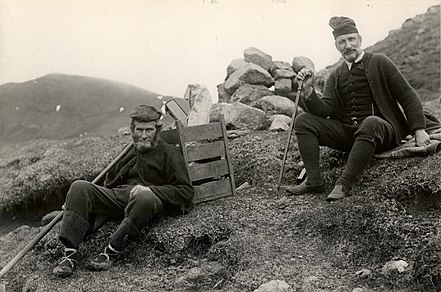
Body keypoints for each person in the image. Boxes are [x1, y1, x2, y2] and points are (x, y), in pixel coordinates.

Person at [286, 16, 440, 201]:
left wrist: (419, 130)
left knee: (371, 122)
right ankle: (313, 181)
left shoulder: (380, 62)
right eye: (341, 42)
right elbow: (325, 109)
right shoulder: (335, 75)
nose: (347, 45)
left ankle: (343, 183)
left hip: (384, 131)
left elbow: (408, 96)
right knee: (303, 121)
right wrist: (309, 90)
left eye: (351, 39)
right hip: (350, 134)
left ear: (360, 40)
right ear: (336, 46)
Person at [53, 105, 194, 277]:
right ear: (132, 130)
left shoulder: (170, 153)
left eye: (149, 130)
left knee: (144, 197)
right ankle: (70, 254)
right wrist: (75, 202)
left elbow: (185, 191)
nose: (143, 135)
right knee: (78, 187)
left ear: (157, 129)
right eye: (139, 130)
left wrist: (150, 189)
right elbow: (108, 183)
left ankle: (109, 252)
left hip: (149, 202)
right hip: (119, 198)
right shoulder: (127, 151)